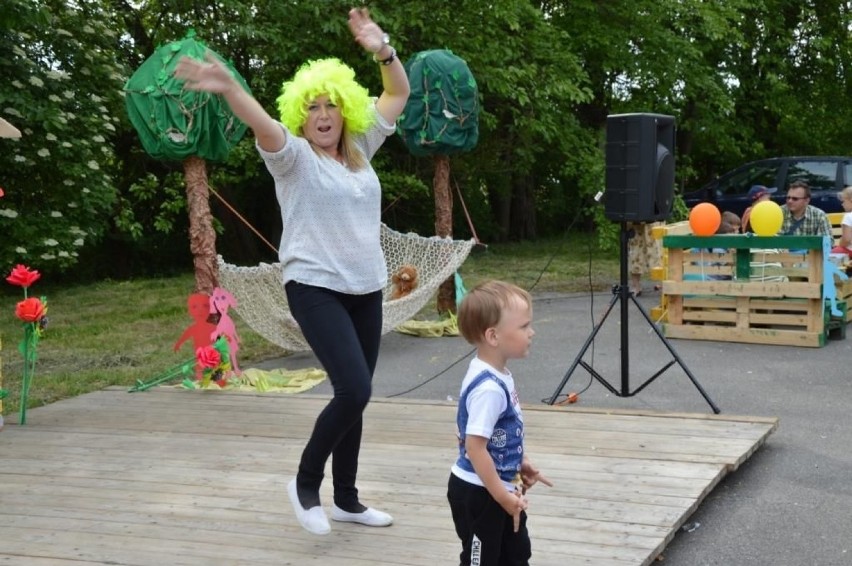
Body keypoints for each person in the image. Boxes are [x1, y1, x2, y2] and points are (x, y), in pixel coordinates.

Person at [174, 7, 410, 536]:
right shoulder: (294, 156)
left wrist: (382, 49)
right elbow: (259, 120)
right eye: (312, 107)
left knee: (358, 393)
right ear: (299, 115)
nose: (323, 114)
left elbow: (397, 95)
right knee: (354, 388)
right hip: (314, 287)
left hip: (366, 287)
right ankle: (306, 484)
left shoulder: (361, 149)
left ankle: (346, 498)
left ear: (345, 109)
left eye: (331, 104)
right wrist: (229, 86)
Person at [448, 280, 552, 566]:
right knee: (481, 560)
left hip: (499, 487)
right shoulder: (489, 388)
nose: (532, 332)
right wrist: (501, 496)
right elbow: (475, 447)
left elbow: (498, 436)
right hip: (480, 493)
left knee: (516, 554)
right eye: (523, 326)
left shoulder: (497, 373)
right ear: (493, 336)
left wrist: (520, 462)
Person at [627, 221, 664, 296]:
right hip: (635, 221)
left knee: (657, 251)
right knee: (635, 253)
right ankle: (635, 286)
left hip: (654, 219)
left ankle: (662, 283)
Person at [831, 186, 852, 256]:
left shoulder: (848, 216)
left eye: (843, 201)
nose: (842, 204)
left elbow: (846, 240)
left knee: (830, 254)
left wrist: (840, 243)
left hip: (850, 251)